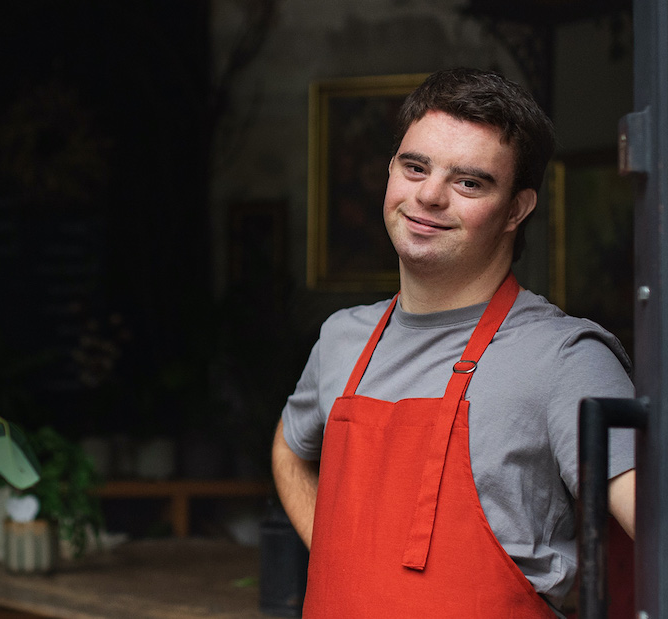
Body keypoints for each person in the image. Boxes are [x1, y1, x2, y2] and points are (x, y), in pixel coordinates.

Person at [272, 68, 637, 618]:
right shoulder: (342, 339)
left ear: (517, 208)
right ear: (391, 171)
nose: (430, 196)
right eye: (414, 167)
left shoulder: (567, 359)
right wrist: (341, 559)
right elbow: (288, 450)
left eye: (469, 182)